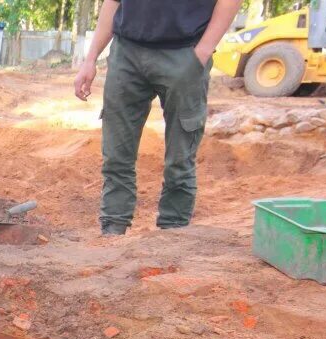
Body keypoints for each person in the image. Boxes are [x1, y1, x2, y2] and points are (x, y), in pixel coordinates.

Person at [74, 0, 239, 235]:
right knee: (116, 154)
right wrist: (90, 59)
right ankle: (113, 229)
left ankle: (172, 233)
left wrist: (202, 52)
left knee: (180, 157)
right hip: (126, 53)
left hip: (184, 53)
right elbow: (113, 2)